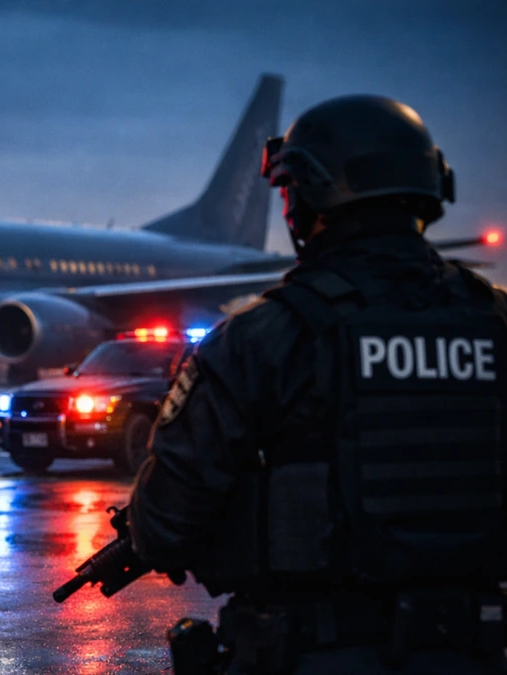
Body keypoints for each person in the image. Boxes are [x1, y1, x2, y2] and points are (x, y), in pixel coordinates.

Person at [128, 95, 505, 674]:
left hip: (319, 653)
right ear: (431, 187)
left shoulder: (262, 339)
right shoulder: (493, 321)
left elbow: (162, 524)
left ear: (309, 195)